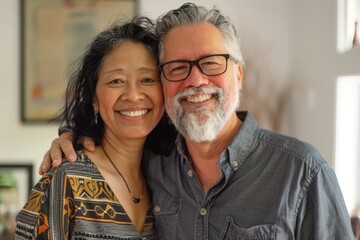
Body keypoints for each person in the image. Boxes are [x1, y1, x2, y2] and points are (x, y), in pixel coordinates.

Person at [39, 3, 355, 239]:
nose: (196, 81)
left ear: (238, 74)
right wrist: (75, 136)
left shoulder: (302, 173)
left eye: (211, 63)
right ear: (164, 83)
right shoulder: (154, 165)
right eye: (177, 68)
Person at [15, 16, 175, 239]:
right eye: (116, 81)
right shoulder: (65, 178)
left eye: (148, 79)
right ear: (94, 99)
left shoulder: (164, 177)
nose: (133, 95)